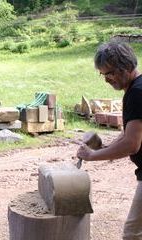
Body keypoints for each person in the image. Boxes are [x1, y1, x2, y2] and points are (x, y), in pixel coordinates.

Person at [77, 41, 142, 239]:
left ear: (126, 68)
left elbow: (132, 144)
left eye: (109, 73)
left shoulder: (137, 93)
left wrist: (93, 155)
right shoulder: (136, 88)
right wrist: (106, 147)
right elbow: (130, 133)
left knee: (133, 233)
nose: (106, 79)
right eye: (103, 74)